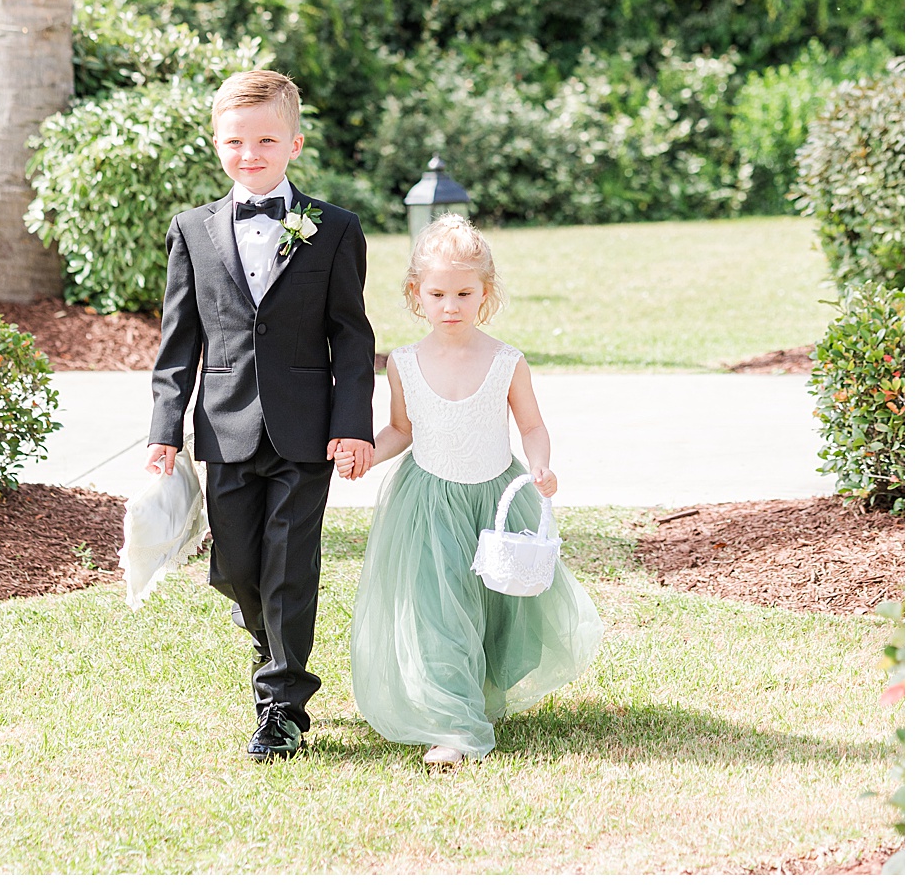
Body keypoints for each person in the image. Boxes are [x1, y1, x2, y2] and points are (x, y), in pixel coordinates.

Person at [146, 68, 377, 762]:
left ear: (294, 144)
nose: (250, 154)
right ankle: (270, 642)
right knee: (237, 567)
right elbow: (178, 341)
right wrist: (164, 430)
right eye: (235, 141)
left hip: (306, 430)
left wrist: (353, 423)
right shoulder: (191, 230)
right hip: (224, 427)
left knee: (288, 567)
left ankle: (282, 707)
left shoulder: (335, 229)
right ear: (216, 143)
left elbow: (352, 336)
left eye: (266, 141)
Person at [340, 215, 602, 770]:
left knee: (496, 611)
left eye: (464, 293)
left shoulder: (506, 361)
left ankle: (477, 695)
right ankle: (454, 727)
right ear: (417, 294)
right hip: (428, 503)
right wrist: (367, 453)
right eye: (437, 294)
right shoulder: (404, 363)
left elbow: (532, 425)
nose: (451, 306)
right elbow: (402, 430)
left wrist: (541, 465)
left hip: (495, 499)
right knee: (439, 612)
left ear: (486, 292)